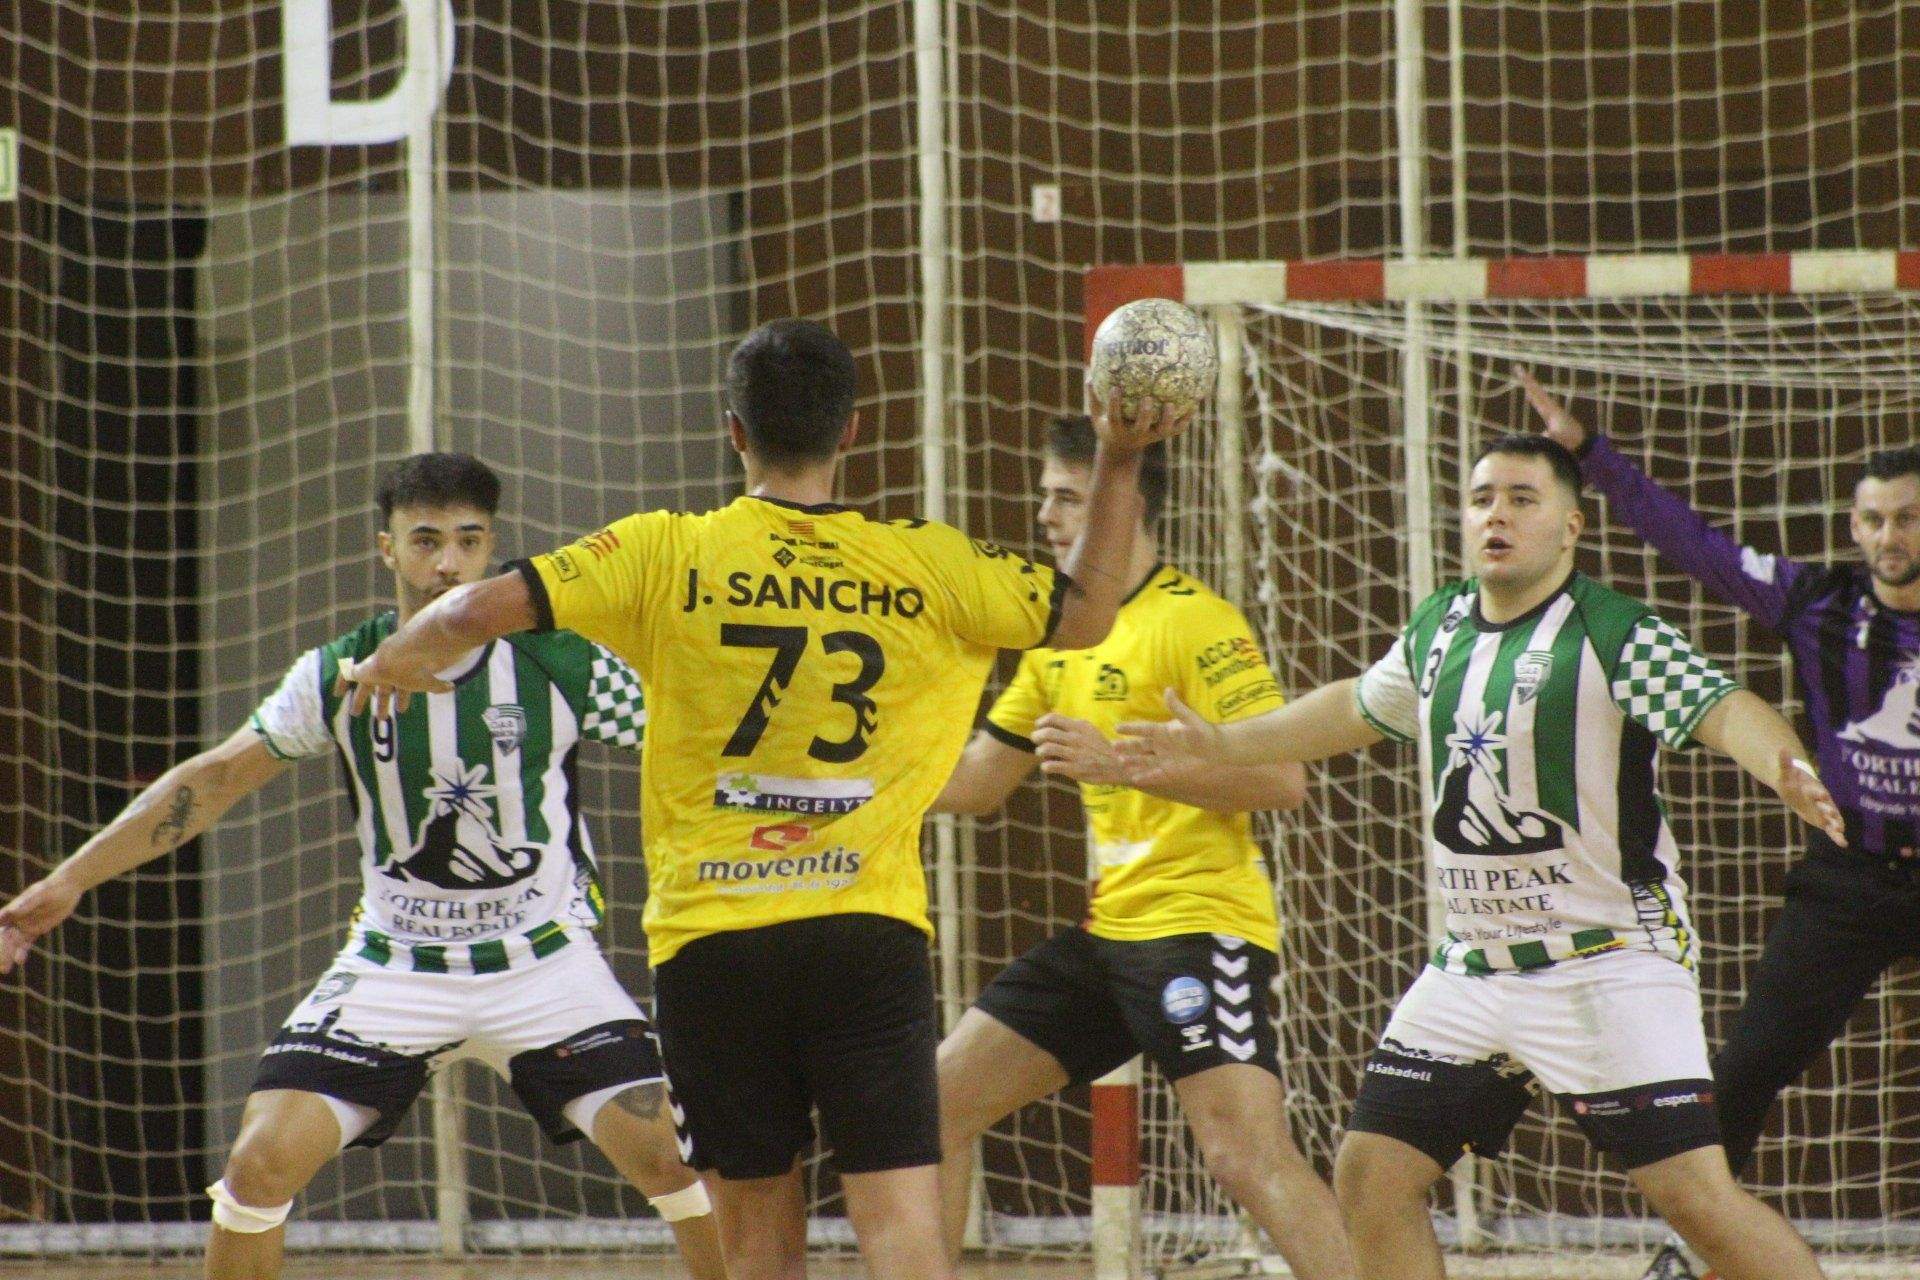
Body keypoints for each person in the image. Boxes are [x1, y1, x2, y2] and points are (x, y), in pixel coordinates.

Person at [327, 319, 1193, 1280]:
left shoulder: (663, 550)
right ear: (851, 430)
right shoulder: (933, 562)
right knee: (901, 1224)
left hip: (715, 942)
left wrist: (394, 657)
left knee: (753, 1240)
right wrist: (1119, 457)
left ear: (734, 430)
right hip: (866, 931)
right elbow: (1089, 613)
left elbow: (472, 607)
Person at [1112, 434, 1848, 1280]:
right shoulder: (1442, 624)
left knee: (1695, 1200)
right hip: (1475, 967)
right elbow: (1354, 707)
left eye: (1522, 499)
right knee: (1372, 1174)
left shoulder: (1614, 633)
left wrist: (1784, 766)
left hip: (1605, 962)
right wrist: (1223, 742)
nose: (1496, 514)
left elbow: (1723, 708)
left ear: (1570, 527)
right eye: (1481, 498)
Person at [0, 454, 725, 1280]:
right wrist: (69, 879)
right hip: (396, 967)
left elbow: (697, 739)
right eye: (426, 541)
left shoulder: (561, 662)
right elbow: (217, 778)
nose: (448, 563)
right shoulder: (336, 674)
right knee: (256, 1168)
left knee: (677, 1159)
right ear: (387, 550)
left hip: (545, 964)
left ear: (492, 547)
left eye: (468, 541)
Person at [929, 415, 1354, 1280]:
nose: (1046, 516)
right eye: (1046, 496)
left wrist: (1123, 764)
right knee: (932, 1104)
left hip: (1198, 924)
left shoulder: (1197, 624)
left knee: (1243, 1155)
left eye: (1067, 498)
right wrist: (839, 785)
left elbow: (1283, 781)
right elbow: (976, 782)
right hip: (1109, 937)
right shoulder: (1058, 640)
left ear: (1122, 505)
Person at [1520, 368, 1920, 1280]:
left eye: (1906, 518)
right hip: (1850, 882)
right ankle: (1692, 1250)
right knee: (1741, 1072)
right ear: (1854, 527)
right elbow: (1695, 546)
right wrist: (1592, 456)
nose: (1888, 537)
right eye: (1873, 520)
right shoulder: (1819, 601)